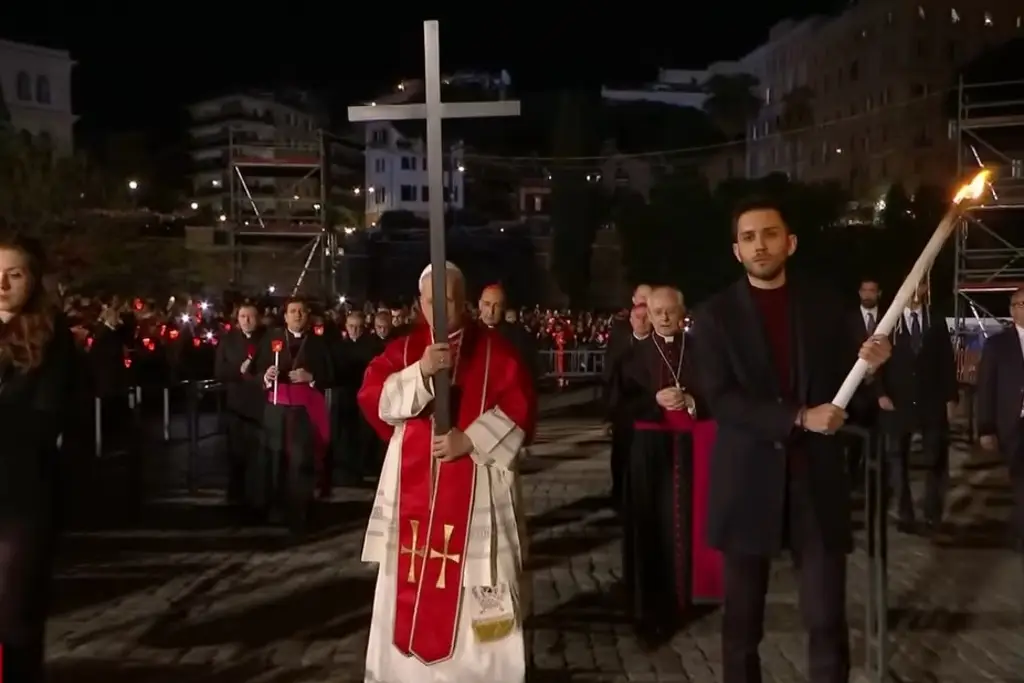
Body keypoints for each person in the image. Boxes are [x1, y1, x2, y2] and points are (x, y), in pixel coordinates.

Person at [693, 197, 891, 683]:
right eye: (748, 237)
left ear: (791, 242)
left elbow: (851, 399)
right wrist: (800, 417)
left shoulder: (825, 307)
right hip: (746, 483)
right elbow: (722, 399)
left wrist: (871, 371)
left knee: (826, 622)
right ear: (736, 251)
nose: (760, 245)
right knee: (742, 628)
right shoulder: (715, 316)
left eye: (770, 234)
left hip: (815, 486)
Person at [357, 261, 536, 683]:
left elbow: (522, 410)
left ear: (465, 299)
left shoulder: (497, 351)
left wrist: (469, 440)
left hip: (477, 499)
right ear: (421, 302)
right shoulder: (402, 351)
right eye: (432, 300)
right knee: (407, 580)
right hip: (412, 497)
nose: (441, 308)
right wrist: (419, 371)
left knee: (484, 580)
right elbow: (376, 401)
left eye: (450, 299)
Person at [0, 233, 76, 682]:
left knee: (15, 613)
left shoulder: (53, 336)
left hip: (20, 492)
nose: (3, 284)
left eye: (14, 274)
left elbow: (48, 416)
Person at [617, 287, 710, 645]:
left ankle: (685, 596)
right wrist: (653, 402)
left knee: (685, 522)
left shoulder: (701, 352)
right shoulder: (633, 357)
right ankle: (648, 606)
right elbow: (618, 405)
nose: (665, 318)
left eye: (671, 311)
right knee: (650, 528)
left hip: (690, 450)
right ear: (648, 313)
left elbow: (717, 391)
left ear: (682, 311)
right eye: (658, 312)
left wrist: (691, 399)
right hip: (649, 453)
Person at [874, 281, 957, 533]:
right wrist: (880, 393)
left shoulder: (936, 321)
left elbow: (946, 361)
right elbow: (875, 361)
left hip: (930, 401)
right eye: (911, 287)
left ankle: (933, 512)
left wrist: (950, 397)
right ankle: (904, 512)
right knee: (897, 459)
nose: (915, 293)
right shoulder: (890, 323)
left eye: (920, 288)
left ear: (925, 291)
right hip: (896, 401)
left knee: (936, 458)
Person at [255, 298, 334, 501]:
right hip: (277, 409)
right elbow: (257, 369)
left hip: (305, 411)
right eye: (293, 311)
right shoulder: (272, 340)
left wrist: (311, 377)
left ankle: (301, 504)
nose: (297, 315)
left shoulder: (318, 343)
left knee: (301, 459)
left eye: (301, 311)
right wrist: (266, 375)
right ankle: (274, 502)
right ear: (285, 316)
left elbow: (331, 374)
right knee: (275, 456)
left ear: (307, 315)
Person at [976, 286, 1024, 557]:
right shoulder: (997, 344)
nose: (1022, 308)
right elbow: (986, 387)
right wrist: (986, 427)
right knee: (1020, 481)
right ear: (1011, 310)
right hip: (1012, 425)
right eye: (1017, 304)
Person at [213, 302, 265, 506]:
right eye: (243, 317)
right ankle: (236, 495)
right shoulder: (228, 341)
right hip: (236, 404)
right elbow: (219, 371)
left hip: (261, 402)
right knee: (236, 452)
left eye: (250, 316)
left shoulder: (267, 338)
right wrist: (238, 371)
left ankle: (259, 495)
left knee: (259, 453)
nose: (246, 320)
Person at [604, 303, 650, 506]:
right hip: (624, 414)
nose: (641, 321)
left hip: (649, 414)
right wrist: (610, 414)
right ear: (630, 321)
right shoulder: (622, 348)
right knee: (621, 457)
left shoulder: (659, 347)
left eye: (645, 317)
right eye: (637, 317)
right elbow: (612, 381)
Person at [334, 310, 380, 485]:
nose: (354, 330)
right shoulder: (339, 346)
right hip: (345, 395)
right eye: (351, 326)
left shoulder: (371, 346)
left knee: (363, 434)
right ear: (346, 326)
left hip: (364, 394)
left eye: (359, 327)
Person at [478, 283, 539, 384]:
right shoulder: (471, 332)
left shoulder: (518, 337)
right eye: (487, 304)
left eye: (496, 306)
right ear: (480, 304)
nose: (490, 312)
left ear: (503, 308)